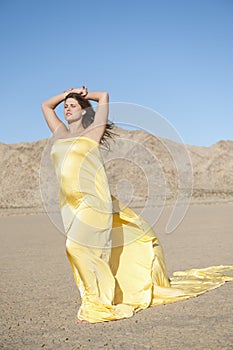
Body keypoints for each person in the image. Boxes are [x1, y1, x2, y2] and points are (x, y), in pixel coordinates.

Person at [42, 86, 233, 323]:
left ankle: (96, 304)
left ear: (83, 112)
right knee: (85, 251)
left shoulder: (92, 133)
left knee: (75, 247)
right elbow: (46, 106)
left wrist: (81, 94)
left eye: (73, 105)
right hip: (69, 205)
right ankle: (100, 296)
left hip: (94, 201)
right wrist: (66, 94)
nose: (67, 108)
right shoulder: (60, 133)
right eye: (66, 106)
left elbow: (103, 97)